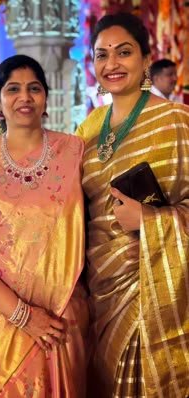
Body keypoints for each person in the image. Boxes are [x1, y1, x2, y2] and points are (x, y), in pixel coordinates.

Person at [0, 54, 89, 398]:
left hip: (63, 314)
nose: (25, 96)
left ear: (45, 98)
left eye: (34, 88)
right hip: (0, 318)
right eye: (13, 89)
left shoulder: (75, 152)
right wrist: (22, 314)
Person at [75, 12, 189, 398]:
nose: (111, 64)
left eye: (123, 52)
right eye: (101, 54)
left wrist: (152, 220)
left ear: (144, 58)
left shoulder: (177, 122)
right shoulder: (87, 129)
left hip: (155, 285)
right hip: (99, 290)